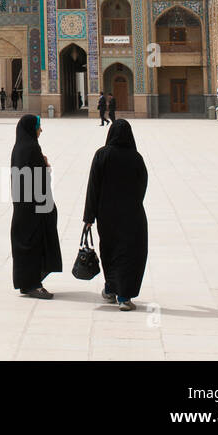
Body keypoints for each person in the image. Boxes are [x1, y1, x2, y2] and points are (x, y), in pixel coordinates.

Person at [83, 118, 148, 311]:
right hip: (131, 215)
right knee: (129, 254)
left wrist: (89, 217)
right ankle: (123, 295)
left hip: (107, 215)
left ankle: (111, 287)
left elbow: (93, 187)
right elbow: (142, 185)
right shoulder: (136, 158)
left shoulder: (102, 155)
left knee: (110, 252)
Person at [10, 114, 61, 300]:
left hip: (23, 206)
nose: (41, 130)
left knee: (25, 244)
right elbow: (38, 178)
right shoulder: (31, 148)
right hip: (33, 207)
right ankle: (32, 284)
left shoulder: (19, 148)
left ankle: (26, 283)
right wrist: (46, 165)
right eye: (39, 127)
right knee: (33, 244)